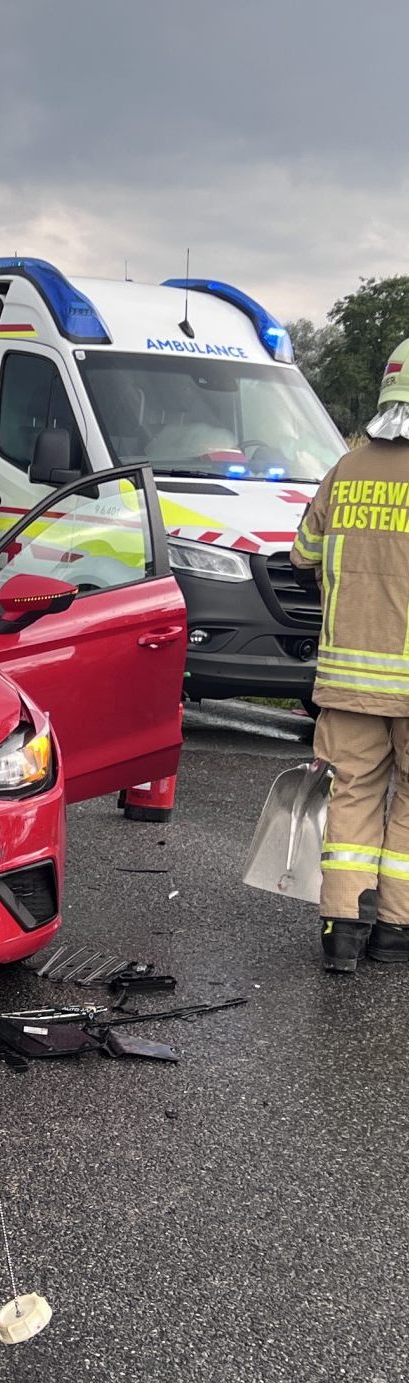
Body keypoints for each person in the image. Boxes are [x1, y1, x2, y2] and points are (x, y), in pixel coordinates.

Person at [292, 336, 409, 972]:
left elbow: (303, 553)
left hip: (347, 680)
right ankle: (395, 934)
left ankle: (342, 931)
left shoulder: (348, 467)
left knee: (351, 797)